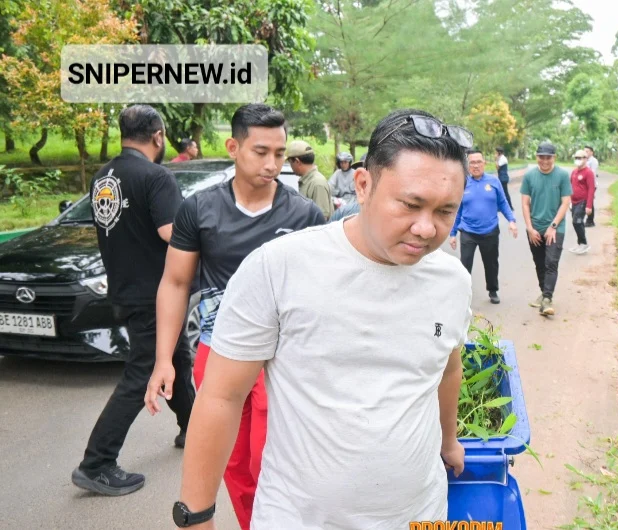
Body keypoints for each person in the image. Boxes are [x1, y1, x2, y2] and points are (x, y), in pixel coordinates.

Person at [173, 109, 475, 530]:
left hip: (421, 514)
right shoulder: (279, 267)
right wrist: (196, 515)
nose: (426, 229)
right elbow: (221, 396)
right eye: (410, 204)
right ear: (363, 185)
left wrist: (449, 439)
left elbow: (447, 367)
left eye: (445, 211)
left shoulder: (452, 281)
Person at [145, 104, 325, 529]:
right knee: (236, 465)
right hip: (218, 352)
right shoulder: (199, 209)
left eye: (279, 154)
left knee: (272, 461)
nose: (272, 164)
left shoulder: (304, 215)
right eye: (261, 152)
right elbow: (175, 283)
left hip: (281, 359)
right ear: (233, 147)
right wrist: (164, 359)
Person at [72, 105, 195, 496]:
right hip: (155, 294)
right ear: (158, 136)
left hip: (125, 287)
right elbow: (172, 232)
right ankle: (97, 463)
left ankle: (192, 428)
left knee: (178, 359)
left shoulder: (103, 177)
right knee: (144, 371)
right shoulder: (156, 176)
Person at [449, 150, 518, 304]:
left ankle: (493, 290)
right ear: (467, 165)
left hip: (490, 231)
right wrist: (452, 234)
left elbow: (503, 203)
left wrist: (511, 221)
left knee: (491, 263)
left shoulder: (494, 182)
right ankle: (463, 293)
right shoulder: (463, 183)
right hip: (468, 231)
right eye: (472, 163)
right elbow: (458, 211)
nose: (475, 165)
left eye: (478, 162)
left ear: (484, 163)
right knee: (465, 265)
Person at [520, 141, 572, 316]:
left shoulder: (562, 175)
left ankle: (547, 299)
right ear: (537, 157)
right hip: (535, 228)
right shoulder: (529, 176)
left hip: (556, 228)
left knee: (551, 263)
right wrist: (529, 228)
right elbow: (525, 203)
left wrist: (553, 226)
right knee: (540, 263)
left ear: (554, 157)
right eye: (541, 157)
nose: (544, 161)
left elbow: (565, 202)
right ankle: (544, 293)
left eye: (548, 157)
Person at [286, 140, 333, 220]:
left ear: (297, 161)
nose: (291, 167)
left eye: (290, 163)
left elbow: (322, 219)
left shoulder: (317, 183)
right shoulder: (307, 181)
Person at [569, 149, 595, 254]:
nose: (577, 160)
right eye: (576, 158)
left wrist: (589, 206)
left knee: (577, 222)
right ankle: (580, 243)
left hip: (583, 201)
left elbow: (591, 189)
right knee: (577, 223)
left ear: (585, 159)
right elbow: (570, 186)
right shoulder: (574, 172)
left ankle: (584, 243)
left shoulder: (588, 173)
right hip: (574, 201)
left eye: (579, 158)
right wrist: (569, 201)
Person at [584, 145, 599, 227]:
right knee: (587, 201)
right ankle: (589, 219)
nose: (585, 152)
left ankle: (590, 220)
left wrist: (591, 188)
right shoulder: (585, 160)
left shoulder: (593, 161)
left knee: (589, 202)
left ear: (591, 152)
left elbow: (592, 174)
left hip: (591, 184)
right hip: (585, 184)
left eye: (587, 151)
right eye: (584, 151)